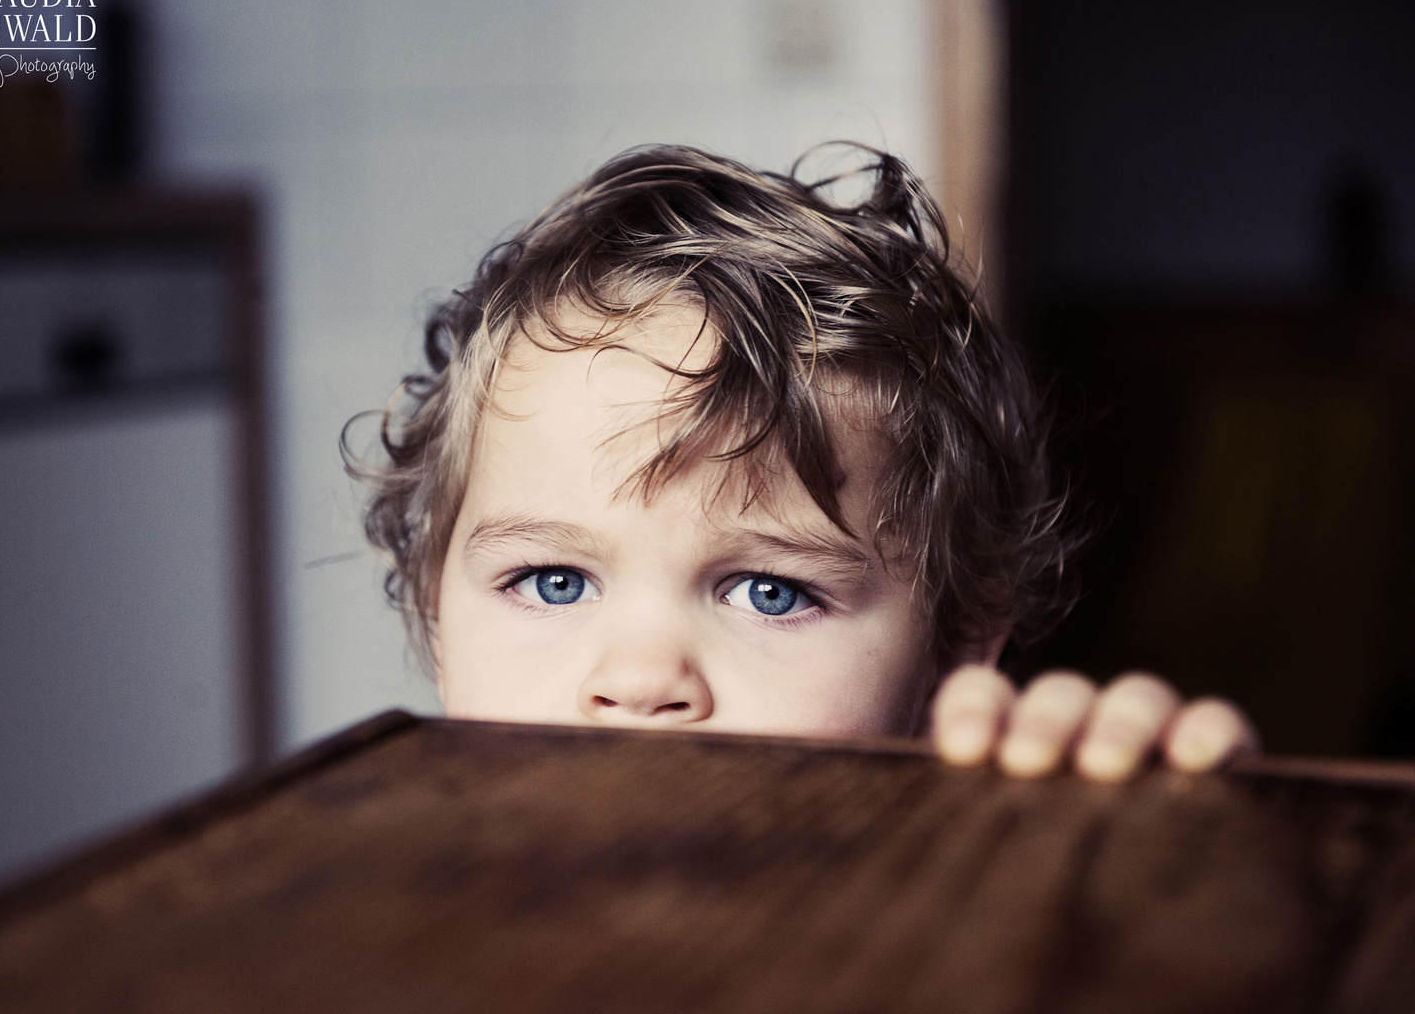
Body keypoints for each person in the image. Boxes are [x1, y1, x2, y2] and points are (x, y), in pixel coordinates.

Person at [343, 142, 1257, 781]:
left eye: (769, 592)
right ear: (434, 612)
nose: (641, 681)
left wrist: (1155, 852)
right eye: (551, 582)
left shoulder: (975, 908)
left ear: (954, 649)